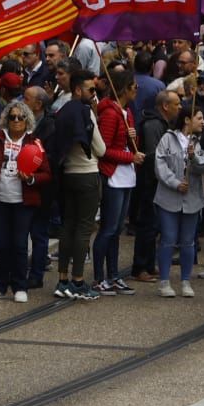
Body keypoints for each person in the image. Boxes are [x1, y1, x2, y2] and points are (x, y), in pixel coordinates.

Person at [0, 100, 50, 303]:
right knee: (0, 244)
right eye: (12, 117)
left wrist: (32, 179)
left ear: (27, 121)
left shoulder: (34, 144)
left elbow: (46, 173)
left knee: (19, 244)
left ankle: (19, 285)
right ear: (6, 119)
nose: (16, 121)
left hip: (22, 202)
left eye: (20, 117)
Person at [48, 61, 106, 301]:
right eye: (91, 90)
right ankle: (78, 281)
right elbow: (100, 149)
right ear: (79, 90)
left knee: (68, 227)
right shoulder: (85, 112)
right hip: (87, 174)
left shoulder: (62, 112)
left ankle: (62, 279)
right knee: (84, 228)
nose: (95, 94)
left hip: (67, 175)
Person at [151, 91, 204, 297]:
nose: (203, 122)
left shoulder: (201, 142)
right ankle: (164, 281)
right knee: (167, 238)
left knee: (188, 241)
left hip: (192, 199)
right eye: (199, 118)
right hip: (168, 197)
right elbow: (160, 164)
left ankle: (185, 281)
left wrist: (195, 158)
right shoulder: (168, 138)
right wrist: (175, 183)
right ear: (187, 119)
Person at [92, 67, 140, 295]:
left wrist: (133, 140)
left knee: (117, 229)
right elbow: (105, 150)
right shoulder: (111, 114)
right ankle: (99, 277)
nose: (137, 90)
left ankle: (113, 275)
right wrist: (131, 156)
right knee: (108, 228)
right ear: (124, 88)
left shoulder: (126, 112)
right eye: (134, 86)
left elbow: (128, 143)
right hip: (113, 177)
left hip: (127, 176)